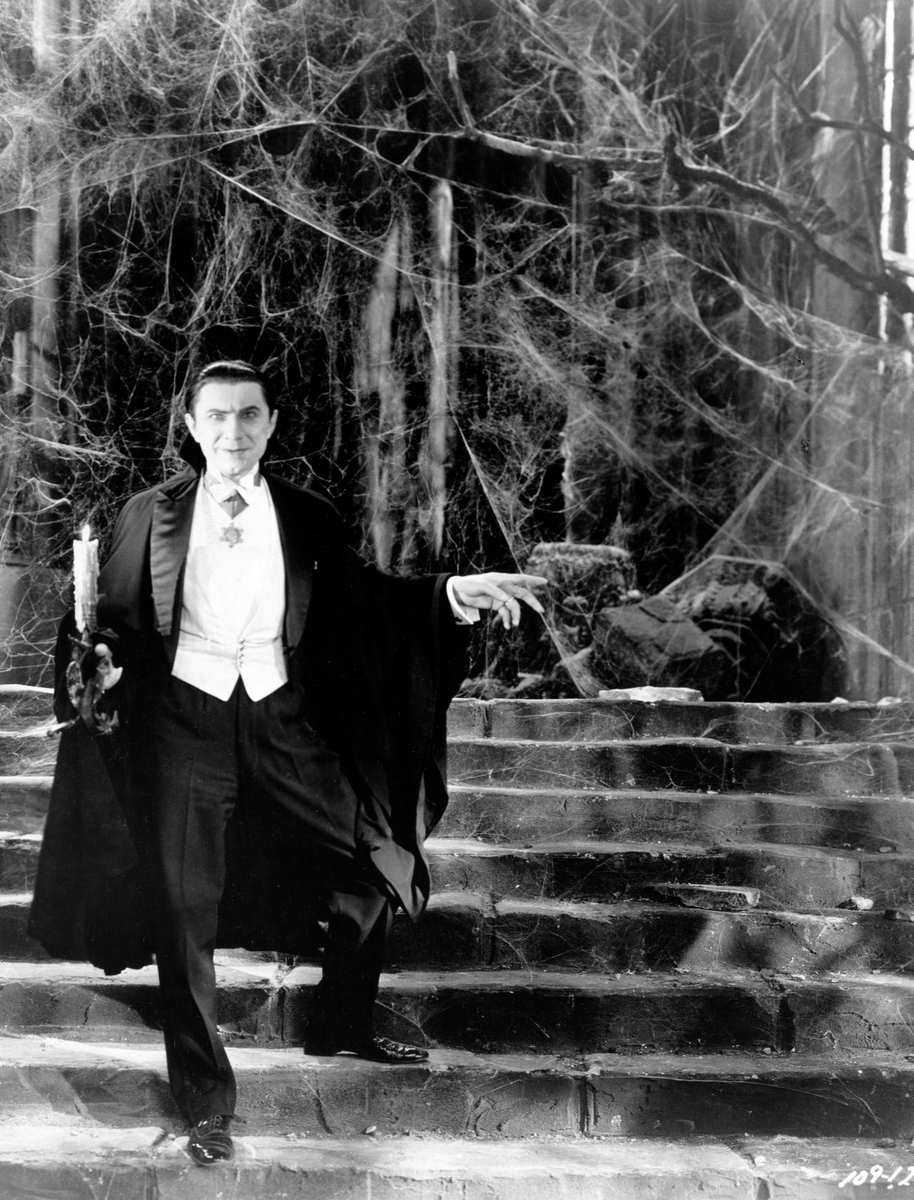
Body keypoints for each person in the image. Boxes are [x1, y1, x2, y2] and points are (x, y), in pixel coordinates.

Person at [28, 360, 546, 1167]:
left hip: (281, 721)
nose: (232, 431)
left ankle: (340, 1023)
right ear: (192, 427)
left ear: (271, 424)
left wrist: (448, 594)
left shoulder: (307, 516)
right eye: (216, 416)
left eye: (249, 415)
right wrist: (95, 662)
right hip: (185, 729)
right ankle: (205, 1103)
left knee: (376, 859)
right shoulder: (148, 515)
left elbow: (365, 603)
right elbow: (107, 623)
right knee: (182, 911)